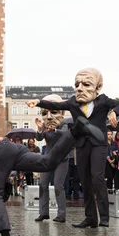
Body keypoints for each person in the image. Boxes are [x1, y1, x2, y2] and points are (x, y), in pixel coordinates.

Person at [27, 68, 119, 228]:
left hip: (98, 145)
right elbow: (55, 104)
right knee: (86, 181)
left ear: (98, 87)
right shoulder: (74, 102)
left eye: (86, 84)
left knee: (97, 178)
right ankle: (90, 218)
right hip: (81, 145)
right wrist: (38, 102)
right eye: (77, 84)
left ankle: (104, 217)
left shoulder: (103, 101)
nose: (80, 87)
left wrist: (114, 112)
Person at [34, 94, 70, 223]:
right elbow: (38, 138)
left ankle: (61, 214)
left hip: (61, 159)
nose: (49, 116)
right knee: (43, 185)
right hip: (48, 158)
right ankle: (44, 213)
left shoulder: (65, 123)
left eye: (53, 111)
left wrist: (54, 130)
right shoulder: (45, 124)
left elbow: (65, 135)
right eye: (45, 112)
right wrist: (39, 129)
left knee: (58, 186)